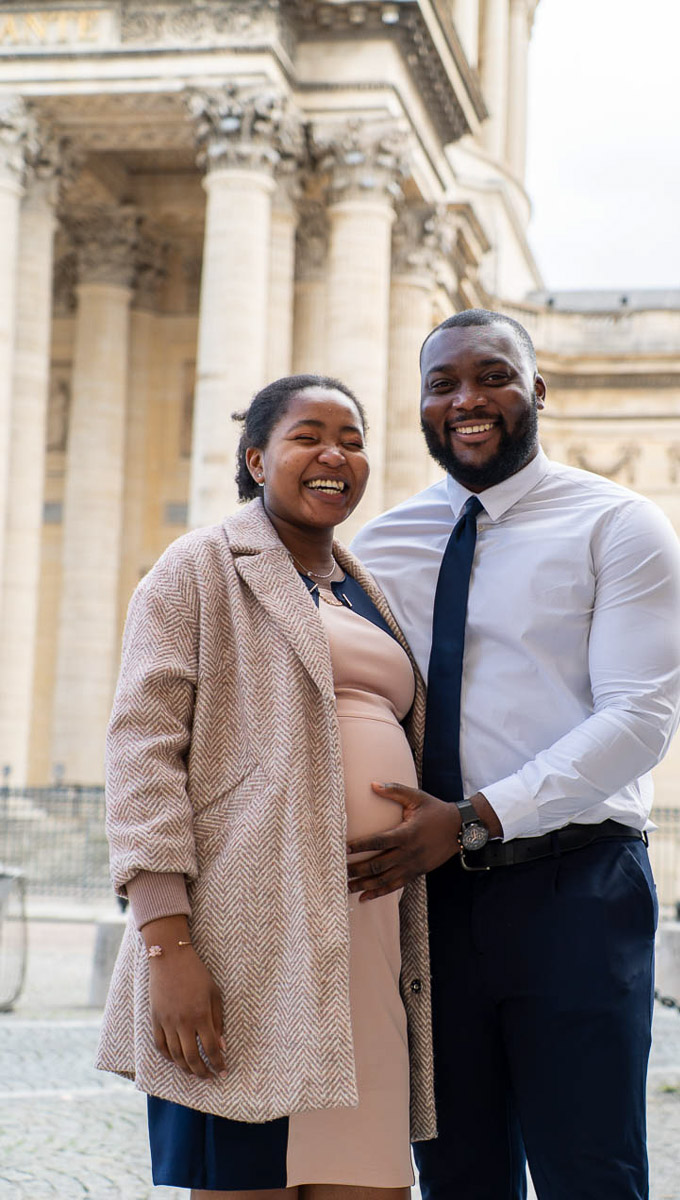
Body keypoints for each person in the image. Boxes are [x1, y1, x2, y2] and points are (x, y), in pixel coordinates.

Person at [348, 310, 680, 1200]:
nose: (467, 399)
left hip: (573, 890)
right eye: (442, 384)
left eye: (492, 375)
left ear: (536, 389)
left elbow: (640, 718)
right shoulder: (379, 548)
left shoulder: (617, 524)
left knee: (591, 1172)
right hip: (426, 903)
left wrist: (475, 818)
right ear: (422, 407)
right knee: (456, 1175)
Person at [96, 374, 436, 1200]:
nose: (335, 455)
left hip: (369, 943)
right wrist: (167, 946)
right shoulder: (198, 567)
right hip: (247, 946)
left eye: (352, 439)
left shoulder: (369, 591)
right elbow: (142, 756)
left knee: (374, 1182)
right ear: (256, 457)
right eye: (308, 435)